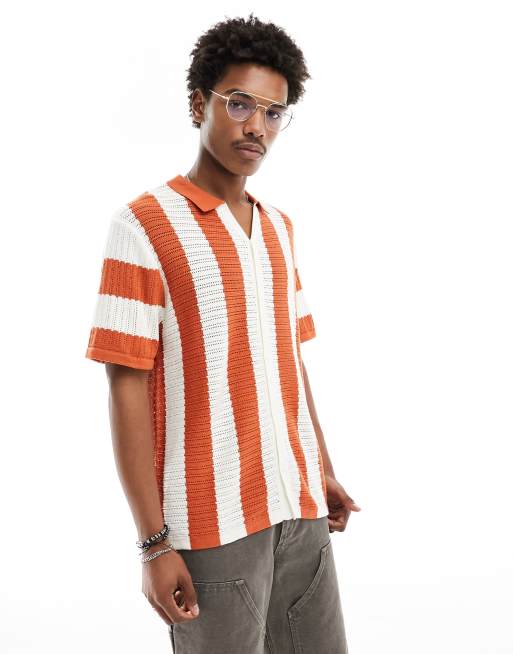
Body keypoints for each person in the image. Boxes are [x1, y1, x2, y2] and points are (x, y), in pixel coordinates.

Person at [85, 12, 361, 653]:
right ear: (198, 104)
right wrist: (154, 544)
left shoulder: (279, 229)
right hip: (211, 528)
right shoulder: (144, 225)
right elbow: (126, 384)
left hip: (301, 516)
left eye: (274, 112)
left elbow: (289, 360)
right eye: (239, 103)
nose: (256, 126)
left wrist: (319, 467)